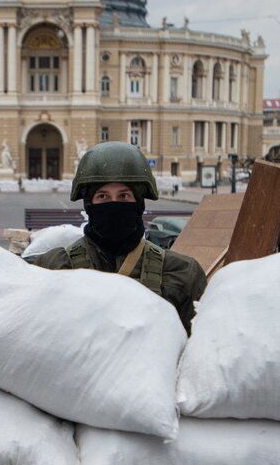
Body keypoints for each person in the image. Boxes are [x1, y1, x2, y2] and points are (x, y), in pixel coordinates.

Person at [29, 141, 207, 332]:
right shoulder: (52, 268)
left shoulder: (182, 274)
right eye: (103, 196)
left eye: (124, 196)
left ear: (139, 203)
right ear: (89, 205)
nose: (114, 205)